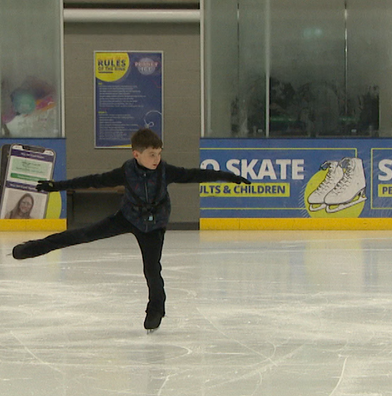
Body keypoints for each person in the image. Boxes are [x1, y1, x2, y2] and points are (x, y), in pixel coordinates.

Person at [12, 128, 250, 333]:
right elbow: (92, 180)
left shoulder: (166, 171)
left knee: (152, 269)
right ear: (137, 154)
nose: (156, 158)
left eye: (158, 153)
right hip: (127, 217)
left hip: (154, 225)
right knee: (82, 234)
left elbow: (196, 174)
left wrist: (229, 177)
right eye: (151, 154)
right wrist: (57, 186)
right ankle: (33, 248)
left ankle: (156, 309)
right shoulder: (126, 172)